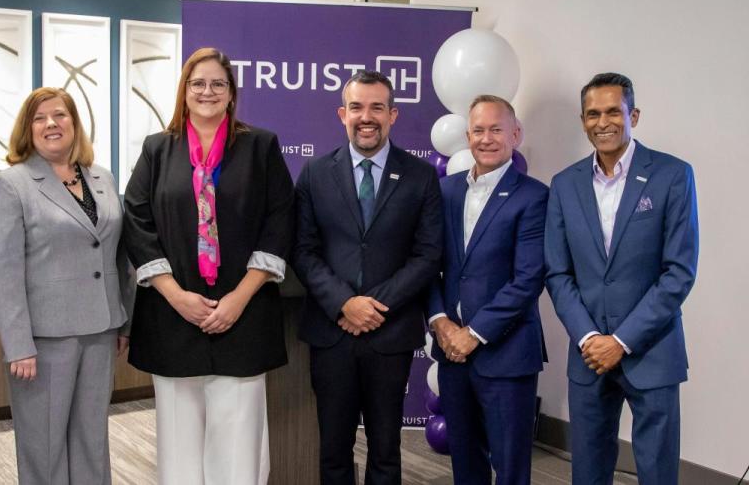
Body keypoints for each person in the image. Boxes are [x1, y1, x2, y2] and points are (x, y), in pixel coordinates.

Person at [123, 47, 294, 485]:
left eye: (218, 83)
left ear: (232, 94)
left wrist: (238, 298)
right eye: (198, 83)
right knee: (178, 440)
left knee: (238, 439)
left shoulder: (260, 146)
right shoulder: (158, 149)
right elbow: (136, 219)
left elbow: (280, 221)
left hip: (243, 315)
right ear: (184, 91)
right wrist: (175, 295)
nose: (207, 91)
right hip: (173, 316)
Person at [545, 73, 699, 485]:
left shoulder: (673, 175)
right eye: (593, 114)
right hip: (589, 353)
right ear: (582, 121)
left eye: (614, 111)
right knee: (589, 471)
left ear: (634, 115)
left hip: (652, 351)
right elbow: (558, 273)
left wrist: (622, 341)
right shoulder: (564, 184)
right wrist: (589, 338)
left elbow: (678, 272)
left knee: (657, 471)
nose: (603, 122)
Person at [293, 70, 443, 485]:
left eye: (377, 107)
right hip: (332, 334)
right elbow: (303, 251)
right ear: (342, 114)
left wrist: (373, 307)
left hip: (389, 334)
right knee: (334, 453)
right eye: (357, 107)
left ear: (392, 115)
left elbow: (428, 255)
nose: (366, 116)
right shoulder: (315, 173)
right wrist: (344, 303)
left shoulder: (421, 175)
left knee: (385, 452)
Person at [0, 87, 133, 485]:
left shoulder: (101, 177)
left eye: (60, 115)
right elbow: (3, 270)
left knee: (91, 440)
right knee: (44, 445)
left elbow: (116, 252)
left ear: (74, 123)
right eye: (40, 118)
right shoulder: (11, 184)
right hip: (43, 340)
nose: (52, 124)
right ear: (27, 129)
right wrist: (17, 344)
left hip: (101, 330)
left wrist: (124, 321)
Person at [427, 95, 547, 485]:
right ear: (467, 136)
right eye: (478, 130)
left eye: (496, 129)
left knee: (511, 467)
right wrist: (440, 321)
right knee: (465, 462)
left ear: (515, 134)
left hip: (507, 353)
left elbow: (528, 278)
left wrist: (473, 334)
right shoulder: (444, 192)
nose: (487, 138)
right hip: (452, 355)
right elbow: (428, 265)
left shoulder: (534, 196)